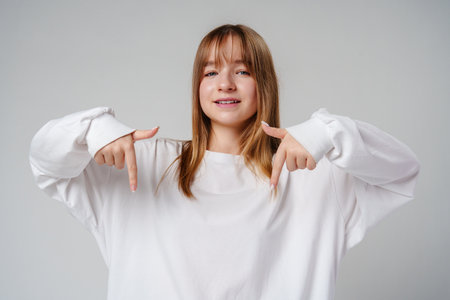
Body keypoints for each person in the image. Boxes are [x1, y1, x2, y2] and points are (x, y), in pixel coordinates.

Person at [29, 24, 420, 300]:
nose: (225, 83)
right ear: (197, 86)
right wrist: (91, 128)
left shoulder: (312, 176)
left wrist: (330, 133)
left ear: (263, 83)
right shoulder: (142, 164)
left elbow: (401, 173)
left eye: (243, 71)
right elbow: (46, 164)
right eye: (211, 71)